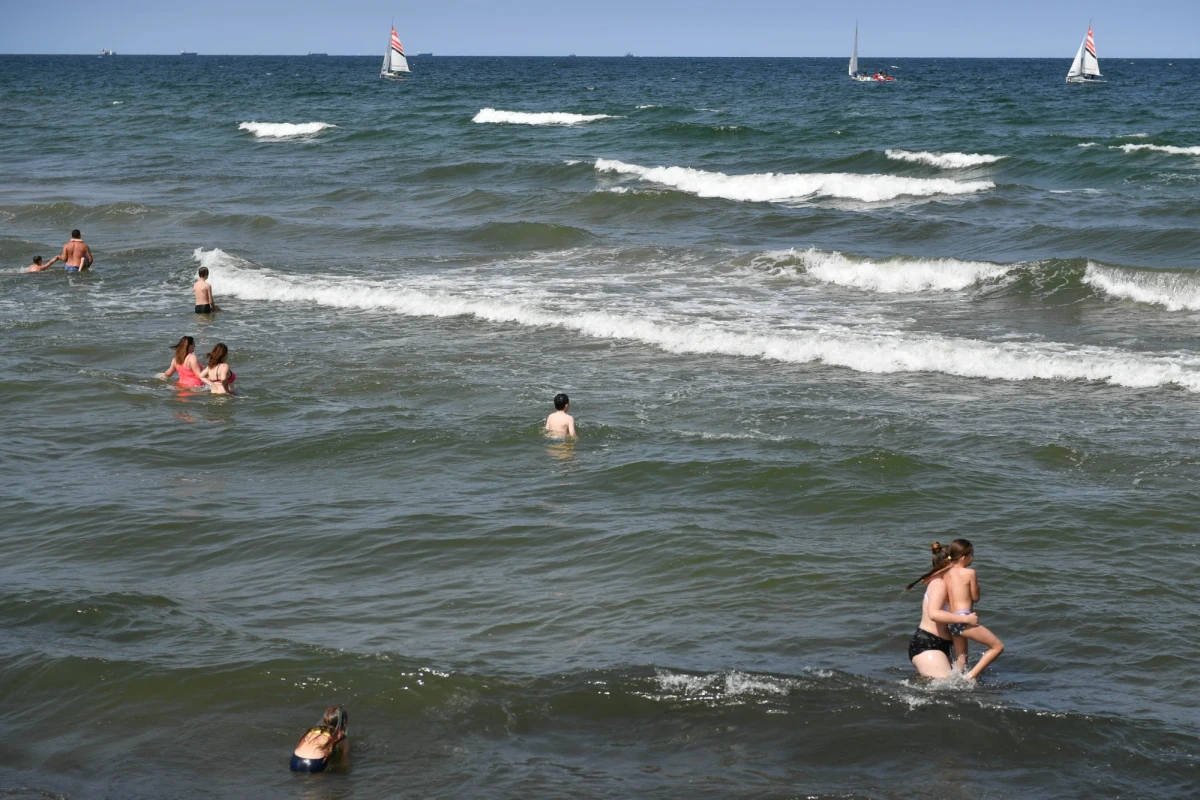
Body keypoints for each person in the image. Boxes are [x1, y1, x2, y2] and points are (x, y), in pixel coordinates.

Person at [906, 541, 978, 679]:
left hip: (944, 645)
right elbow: (933, 614)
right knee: (946, 686)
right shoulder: (939, 584)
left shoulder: (953, 586)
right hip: (928, 644)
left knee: (957, 683)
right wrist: (966, 619)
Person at [944, 538, 1005, 681]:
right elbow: (975, 597)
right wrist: (978, 587)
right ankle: (970, 677)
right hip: (964, 619)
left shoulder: (946, 573)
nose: (973, 558)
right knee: (997, 646)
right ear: (963, 558)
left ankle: (954, 681)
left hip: (952, 620)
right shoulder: (970, 573)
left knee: (961, 658)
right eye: (972, 555)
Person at [290, 705, 348, 773]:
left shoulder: (313, 731)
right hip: (313, 764)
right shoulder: (340, 737)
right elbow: (344, 762)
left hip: (295, 761)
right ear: (344, 723)